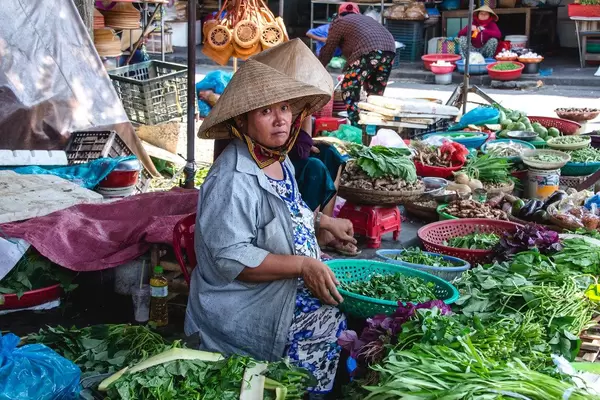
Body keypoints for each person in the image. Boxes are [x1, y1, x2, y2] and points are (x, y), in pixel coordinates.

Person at [186, 55, 355, 398]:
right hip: (245, 303)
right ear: (243, 121)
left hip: (287, 282)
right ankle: (302, 392)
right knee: (328, 323)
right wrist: (304, 265)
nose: (280, 120)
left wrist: (323, 222)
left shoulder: (278, 158)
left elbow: (289, 211)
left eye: (284, 109)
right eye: (265, 112)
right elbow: (231, 258)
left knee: (348, 304)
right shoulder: (233, 178)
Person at [289, 118, 360, 256]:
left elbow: (306, 119)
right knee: (314, 167)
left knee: (329, 153)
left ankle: (324, 235)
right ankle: (305, 239)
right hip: (273, 150)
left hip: (289, 142)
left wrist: (305, 140)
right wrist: (296, 143)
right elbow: (301, 150)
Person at [318, 2, 396, 126]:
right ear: (356, 12)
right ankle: (373, 127)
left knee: (349, 87)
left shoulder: (339, 22)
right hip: (389, 50)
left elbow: (328, 49)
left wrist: (318, 67)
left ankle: (357, 125)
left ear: (340, 14)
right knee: (375, 93)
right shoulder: (366, 19)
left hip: (368, 51)